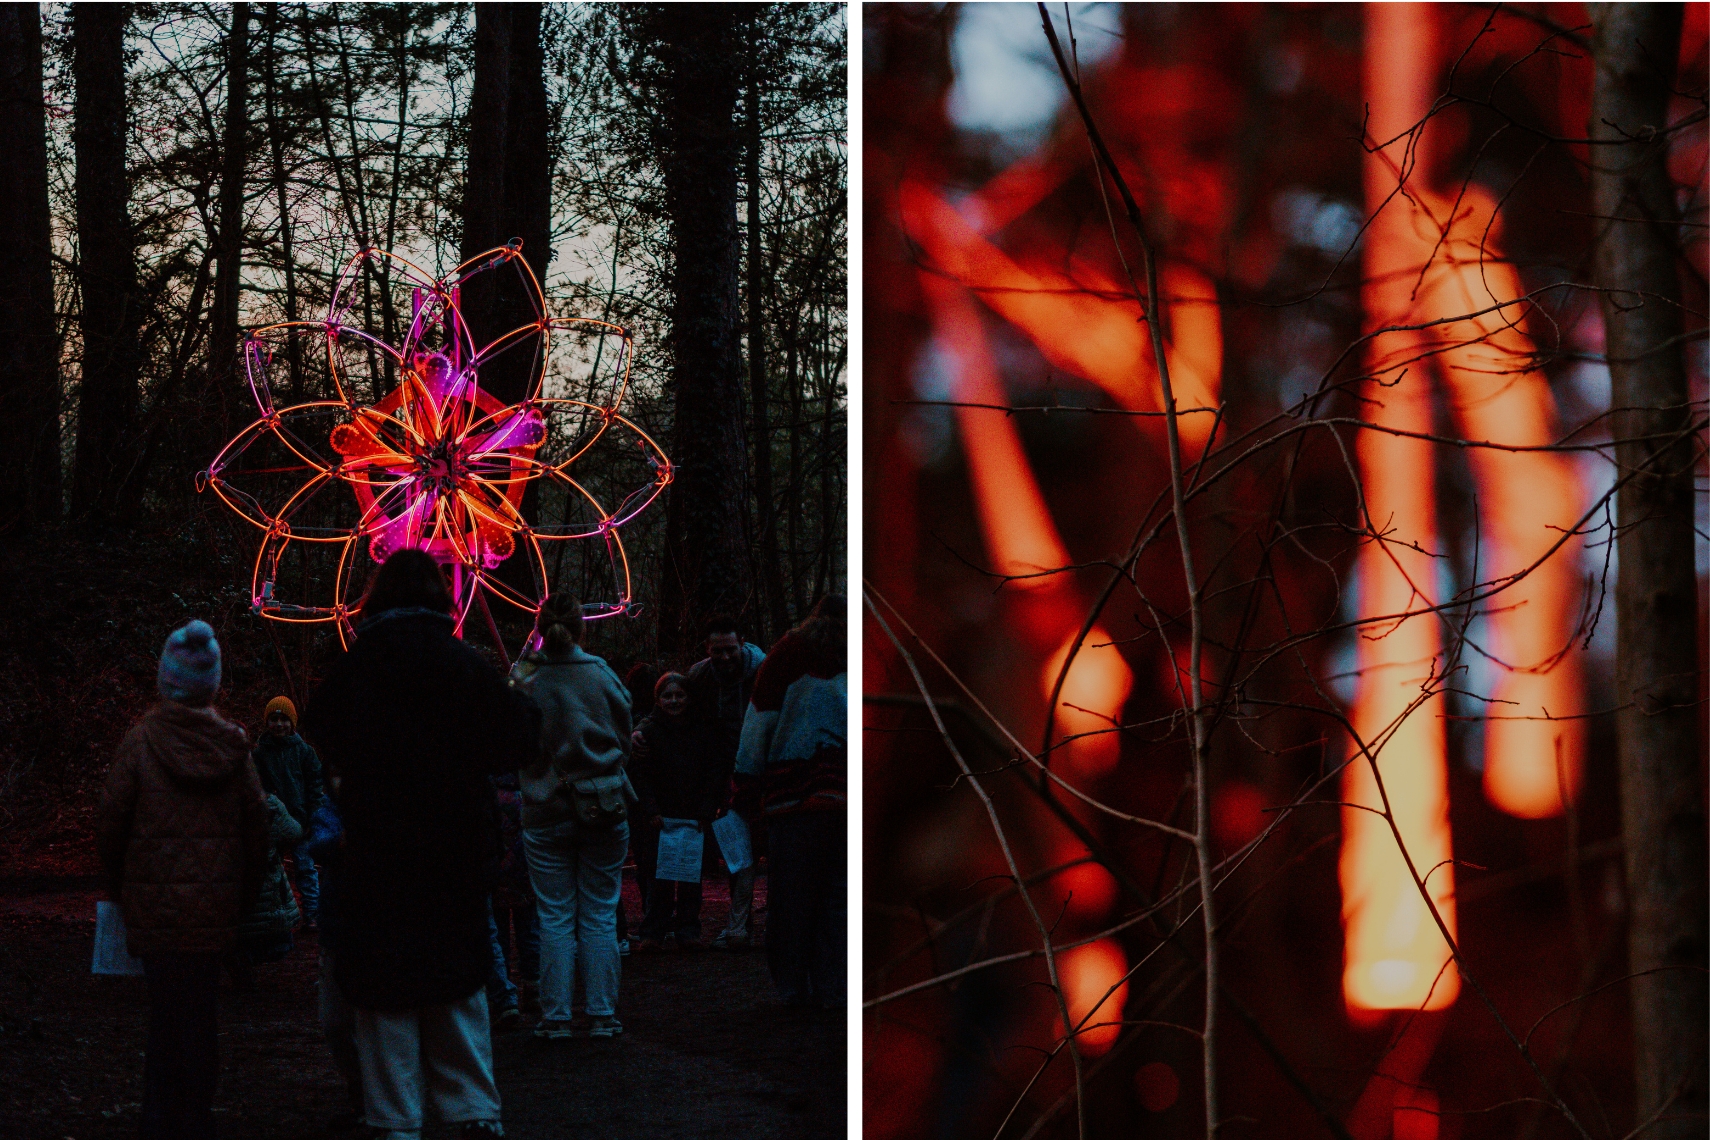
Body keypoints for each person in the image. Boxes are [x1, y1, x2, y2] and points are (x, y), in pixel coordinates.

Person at [302, 550, 539, 1140]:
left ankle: (395, 1117)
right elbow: (519, 736)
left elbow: (321, 730)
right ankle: (471, 1110)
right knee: (455, 983)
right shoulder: (464, 666)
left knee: (385, 992)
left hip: (377, 854)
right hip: (451, 852)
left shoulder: (356, 669)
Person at [94, 620, 269, 1140]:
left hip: (154, 911)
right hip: (215, 914)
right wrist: (243, 897)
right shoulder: (234, 748)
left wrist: (120, 887)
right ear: (212, 683)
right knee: (201, 1018)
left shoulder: (140, 743)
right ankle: (195, 1117)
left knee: (165, 1018)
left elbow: (111, 824)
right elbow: (257, 832)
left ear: (165, 679)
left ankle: (159, 1117)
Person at [510, 592, 633, 1041]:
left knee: (554, 914)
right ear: (582, 627)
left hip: (545, 808)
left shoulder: (528, 677)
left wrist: (530, 652)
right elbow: (624, 731)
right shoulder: (600, 673)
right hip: (603, 803)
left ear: (540, 629)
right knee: (599, 912)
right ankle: (601, 1013)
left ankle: (557, 1015)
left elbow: (509, 720)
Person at [735, 595, 847, 1008]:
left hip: (792, 800)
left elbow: (759, 722)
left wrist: (745, 786)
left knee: (791, 898)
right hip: (845, 801)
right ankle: (833, 988)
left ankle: (792, 987)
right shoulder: (864, 655)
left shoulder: (785, 655)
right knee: (838, 898)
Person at [681, 616, 765, 949]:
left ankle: (774, 926)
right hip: (722, 774)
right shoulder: (699, 677)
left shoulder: (765, 672)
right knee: (736, 850)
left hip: (765, 772)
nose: (725, 657)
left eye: (731, 649)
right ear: (707, 649)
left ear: (742, 643)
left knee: (769, 848)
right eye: (718, 651)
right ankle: (739, 926)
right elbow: (675, 710)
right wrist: (643, 731)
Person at [630, 673, 723, 950]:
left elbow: (713, 772)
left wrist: (706, 810)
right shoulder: (647, 731)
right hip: (660, 817)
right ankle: (653, 931)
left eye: (679, 695)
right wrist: (650, 810)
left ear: (689, 698)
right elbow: (639, 775)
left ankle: (688, 930)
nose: (673, 701)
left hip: (693, 815)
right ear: (657, 699)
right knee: (658, 877)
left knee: (690, 876)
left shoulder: (703, 730)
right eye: (667, 695)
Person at [301, 770, 366, 1133]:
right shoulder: (330, 810)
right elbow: (319, 842)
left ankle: (374, 1099)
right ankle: (361, 1090)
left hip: (369, 931)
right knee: (335, 1022)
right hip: (338, 930)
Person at [251, 695, 324, 926]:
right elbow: (255, 788)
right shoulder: (259, 754)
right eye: (274, 719)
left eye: (284, 720)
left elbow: (315, 787)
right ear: (267, 722)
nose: (279, 724)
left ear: (292, 723)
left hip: (302, 821)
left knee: (305, 868)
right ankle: (278, 917)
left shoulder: (305, 752)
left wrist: (313, 817)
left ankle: (312, 913)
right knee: (272, 872)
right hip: (273, 824)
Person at [226, 792, 302, 990]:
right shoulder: (268, 802)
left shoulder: (209, 800)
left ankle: (239, 964)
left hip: (226, 881)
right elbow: (293, 832)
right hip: (265, 881)